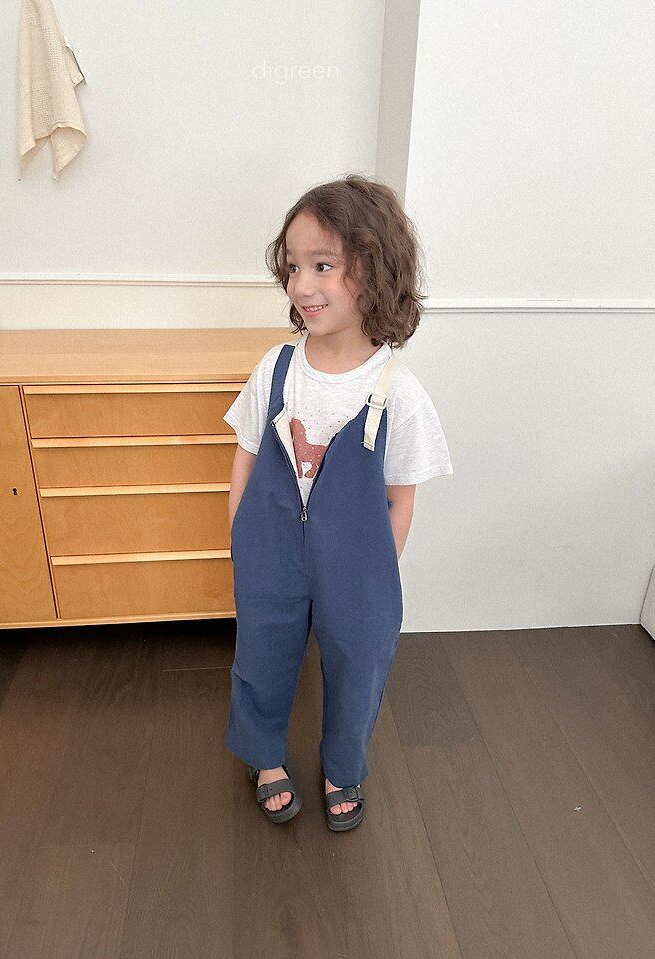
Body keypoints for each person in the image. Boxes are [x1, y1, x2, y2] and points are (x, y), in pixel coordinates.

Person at [223, 174, 453, 831]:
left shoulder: (397, 392)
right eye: (294, 266)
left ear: (375, 271)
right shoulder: (276, 369)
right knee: (263, 653)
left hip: (356, 563)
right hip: (270, 548)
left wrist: (374, 573)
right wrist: (241, 537)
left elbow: (399, 499)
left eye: (323, 266)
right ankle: (264, 756)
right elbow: (246, 454)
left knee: (358, 662)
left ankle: (341, 764)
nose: (302, 285)